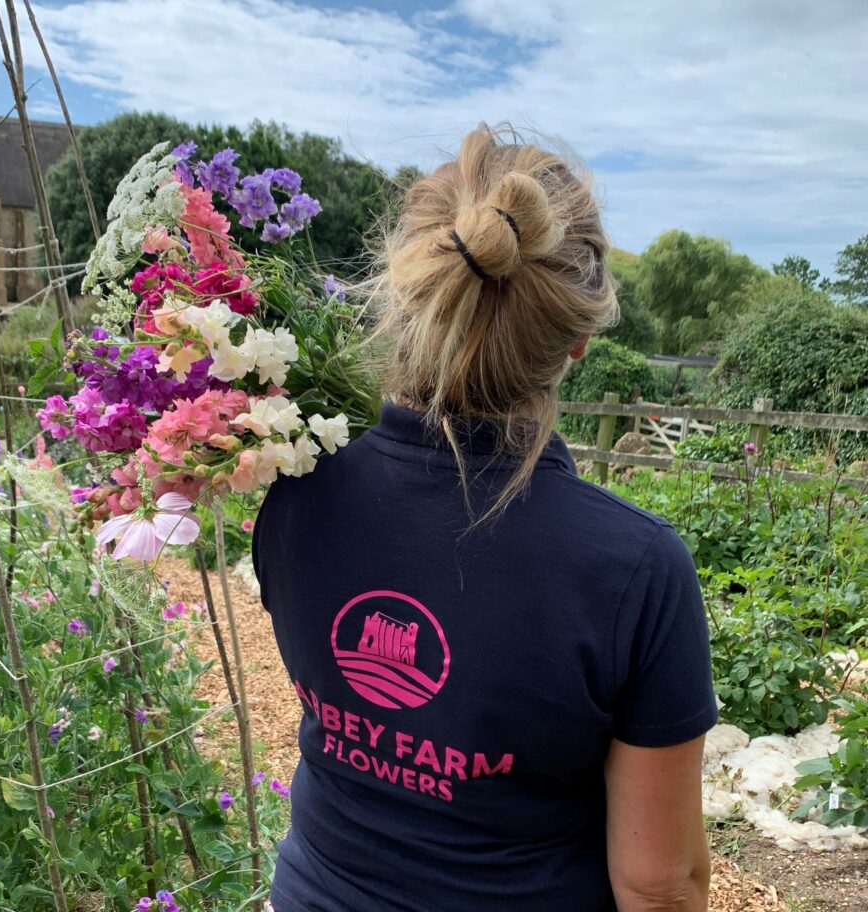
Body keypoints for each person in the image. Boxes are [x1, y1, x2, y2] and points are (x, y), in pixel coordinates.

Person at [252, 125, 717, 912]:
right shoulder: (632, 570)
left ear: (410, 293)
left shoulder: (297, 493)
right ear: (576, 341)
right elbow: (658, 883)